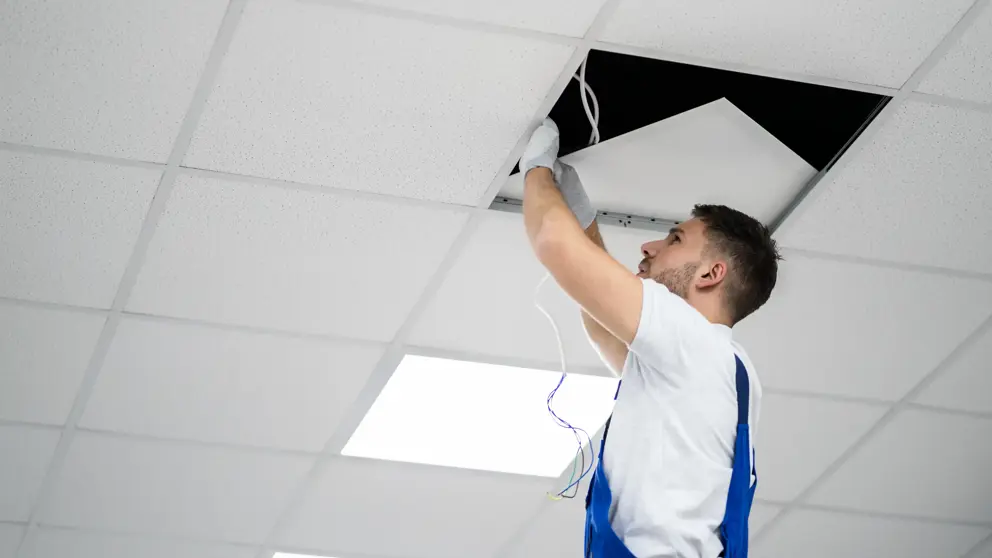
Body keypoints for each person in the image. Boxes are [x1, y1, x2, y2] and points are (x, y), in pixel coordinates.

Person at [518, 119, 781, 558]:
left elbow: (552, 242)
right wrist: (580, 218)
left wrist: (536, 171)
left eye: (674, 239)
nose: (649, 247)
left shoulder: (694, 344)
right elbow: (604, 320)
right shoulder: (713, 368)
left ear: (711, 274)